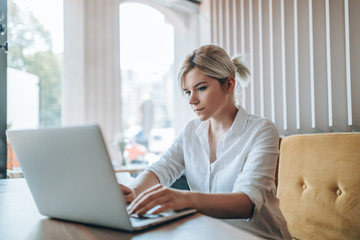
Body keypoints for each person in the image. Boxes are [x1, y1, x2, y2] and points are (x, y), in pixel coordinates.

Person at [121, 44, 291, 239]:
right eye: (187, 92)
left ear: (229, 84)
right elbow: (162, 168)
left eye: (200, 88)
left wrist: (184, 198)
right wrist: (133, 191)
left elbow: (247, 203)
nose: (192, 100)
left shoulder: (261, 130)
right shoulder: (192, 131)